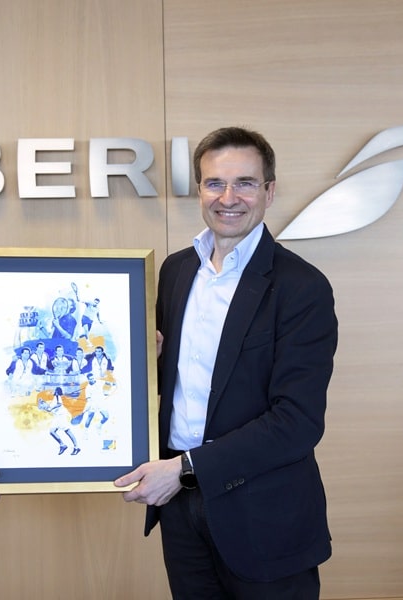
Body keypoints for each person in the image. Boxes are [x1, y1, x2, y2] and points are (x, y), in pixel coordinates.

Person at [115, 126, 337, 599]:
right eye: (215, 183)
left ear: (269, 192)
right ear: (199, 190)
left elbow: (297, 421)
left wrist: (185, 468)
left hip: (265, 516)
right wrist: (144, 363)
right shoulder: (175, 271)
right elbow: (176, 386)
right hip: (180, 510)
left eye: (245, 183)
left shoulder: (302, 287)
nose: (228, 198)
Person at [38, 386, 81, 455]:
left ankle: (76, 447)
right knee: (52, 432)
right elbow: (49, 408)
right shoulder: (54, 399)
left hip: (61, 416)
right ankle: (62, 445)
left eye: (54, 390)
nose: (52, 392)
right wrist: (43, 403)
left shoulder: (58, 397)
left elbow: (59, 404)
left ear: (57, 391)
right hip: (57, 417)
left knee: (67, 431)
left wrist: (51, 408)